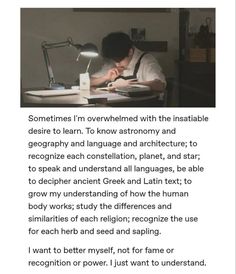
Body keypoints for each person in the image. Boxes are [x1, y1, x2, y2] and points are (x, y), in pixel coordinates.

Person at [91, 32, 166, 92]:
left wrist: (129, 85)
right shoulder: (113, 59)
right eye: (114, 60)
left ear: (130, 52)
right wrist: (106, 77)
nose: (117, 64)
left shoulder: (146, 61)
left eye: (119, 60)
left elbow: (160, 84)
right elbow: (88, 82)